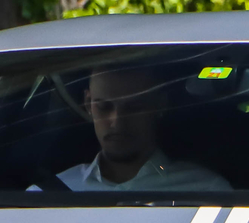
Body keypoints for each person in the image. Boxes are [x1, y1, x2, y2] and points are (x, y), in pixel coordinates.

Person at [54, 66, 231, 192]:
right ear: (88, 104)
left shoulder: (206, 192)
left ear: (160, 105)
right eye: (104, 107)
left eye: (134, 108)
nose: (116, 122)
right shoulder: (49, 194)